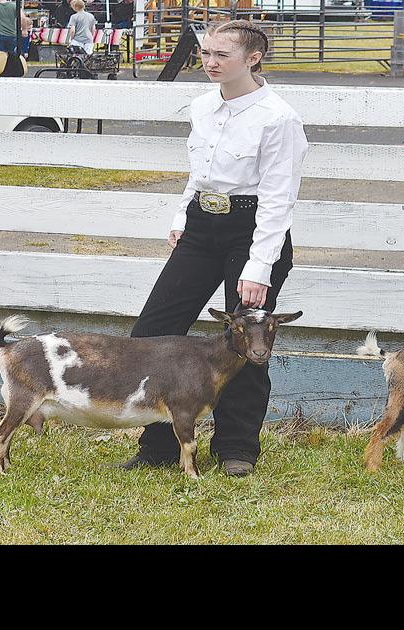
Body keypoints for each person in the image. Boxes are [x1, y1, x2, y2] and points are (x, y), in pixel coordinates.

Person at [121, 20, 307, 478]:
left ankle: (237, 448)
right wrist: (182, 217)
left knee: (244, 342)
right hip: (203, 224)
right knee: (154, 329)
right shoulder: (203, 106)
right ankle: (160, 443)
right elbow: (199, 172)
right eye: (206, 53)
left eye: (223, 54)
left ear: (253, 57)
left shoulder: (278, 117)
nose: (210, 61)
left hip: (252, 231)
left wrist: (259, 266)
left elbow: (279, 196)